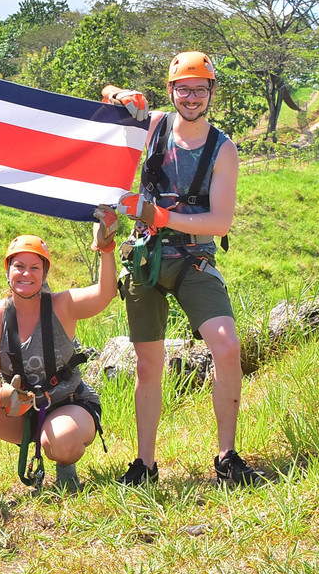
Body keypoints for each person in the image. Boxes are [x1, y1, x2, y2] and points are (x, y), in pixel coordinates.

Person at [102, 51, 263, 487]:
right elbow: (107, 98)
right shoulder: (153, 125)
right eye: (183, 89)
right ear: (170, 91)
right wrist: (121, 93)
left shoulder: (222, 149)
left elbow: (220, 221)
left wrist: (162, 216)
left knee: (227, 347)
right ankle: (145, 464)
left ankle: (227, 455)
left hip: (194, 258)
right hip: (146, 256)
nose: (191, 97)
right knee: (148, 363)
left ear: (211, 92)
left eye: (200, 89)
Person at [0, 213, 119, 514]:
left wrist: (106, 250)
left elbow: (104, 293)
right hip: (22, 411)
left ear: (45, 273)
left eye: (34, 267)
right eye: (19, 266)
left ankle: (65, 468)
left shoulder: (62, 305)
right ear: (7, 271)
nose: (26, 274)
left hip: (68, 403)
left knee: (62, 441)